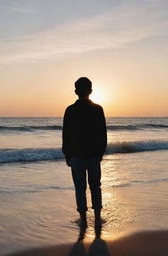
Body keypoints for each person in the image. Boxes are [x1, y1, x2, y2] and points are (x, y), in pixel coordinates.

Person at [62, 77, 107, 227]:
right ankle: (97, 218)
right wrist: (100, 153)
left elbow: (66, 135)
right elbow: (103, 134)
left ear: (76, 91)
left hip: (76, 155)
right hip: (93, 155)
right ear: (91, 91)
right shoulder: (97, 109)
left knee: (80, 188)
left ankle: (83, 218)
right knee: (95, 186)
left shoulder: (70, 110)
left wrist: (67, 154)